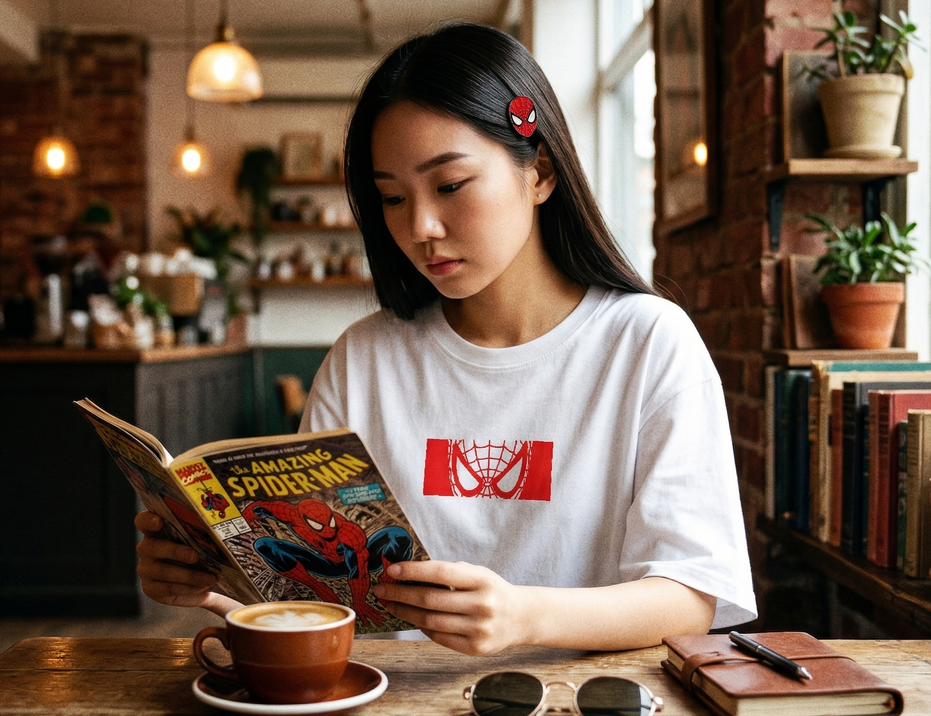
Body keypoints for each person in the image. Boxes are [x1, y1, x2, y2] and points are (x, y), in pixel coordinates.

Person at [134, 21, 757, 656]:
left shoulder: (647, 344)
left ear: (539, 171)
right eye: (392, 198)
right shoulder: (364, 361)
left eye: (450, 185)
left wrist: (526, 616)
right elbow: (315, 593)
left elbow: (690, 596)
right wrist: (211, 578)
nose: (421, 226)